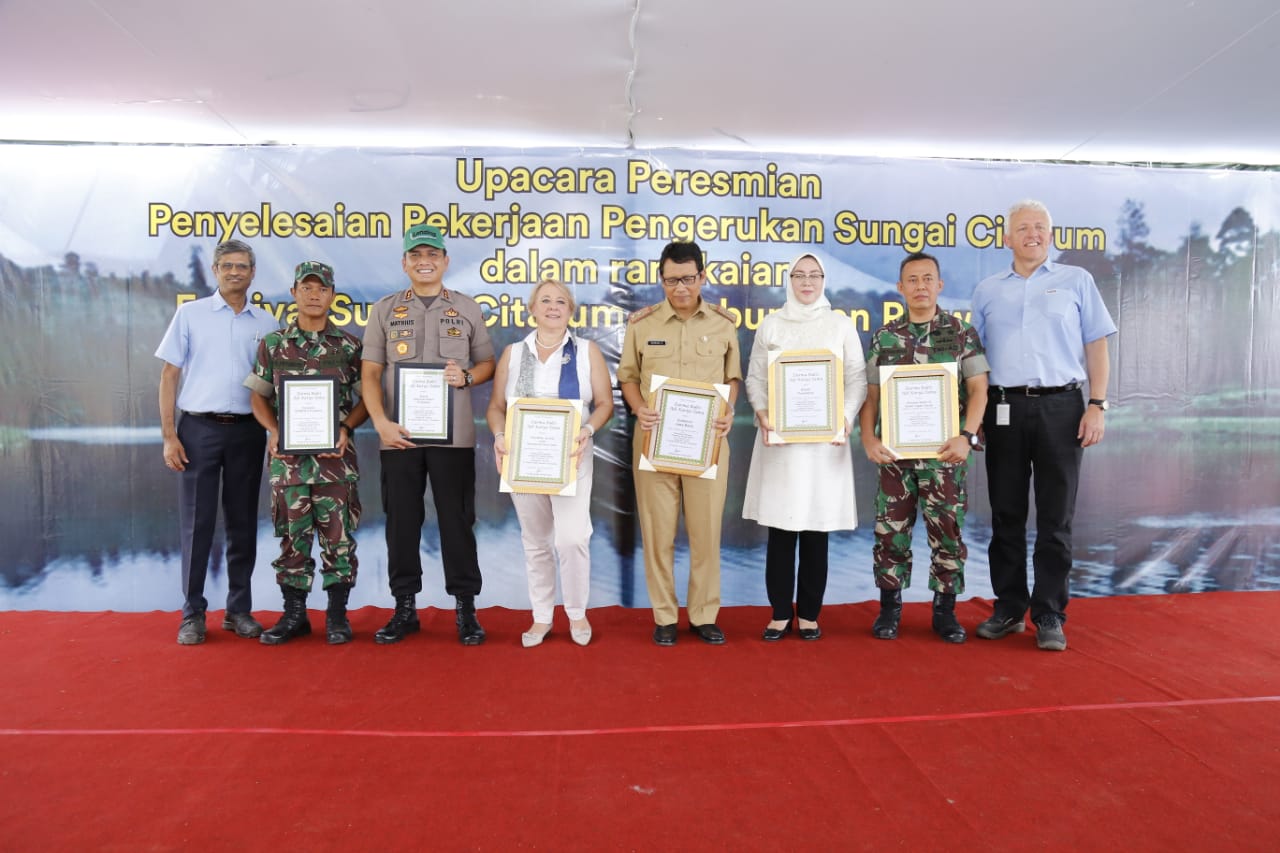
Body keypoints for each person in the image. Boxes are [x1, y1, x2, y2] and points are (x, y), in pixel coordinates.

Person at [971, 200, 1116, 652]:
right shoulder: (987, 290)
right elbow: (972, 363)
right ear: (1006, 238)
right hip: (1003, 409)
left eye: (1040, 227)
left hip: (1062, 408)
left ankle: (1049, 612)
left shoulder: (1077, 281)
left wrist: (1097, 405)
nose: (1032, 234)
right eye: (1022, 228)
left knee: (1056, 517)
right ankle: (1010, 608)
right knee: (1006, 514)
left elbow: (1096, 347)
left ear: (1050, 236)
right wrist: (971, 420)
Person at [361, 224, 496, 645]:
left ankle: (466, 609)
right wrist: (379, 422)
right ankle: (405, 608)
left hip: (453, 437)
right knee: (401, 522)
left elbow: (488, 364)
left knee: (457, 522)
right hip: (398, 436)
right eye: (416, 254)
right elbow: (370, 373)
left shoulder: (467, 309)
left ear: (445, 261)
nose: (425, 261)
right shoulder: (384, 310)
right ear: (404, 262)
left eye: (432, 254)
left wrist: (469, 376)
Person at [860, 251, 989, 643]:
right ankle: (889, 609)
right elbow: (872, 397)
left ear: (940, 285)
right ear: (900, 287)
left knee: (947, 531)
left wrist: (967, 437)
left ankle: (945, 611)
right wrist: (868, 437)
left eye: (927, 278)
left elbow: (979, 389)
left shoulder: (960, 332)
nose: (920, 286)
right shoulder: (885, 336)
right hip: (896, 457)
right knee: (890, 531)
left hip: (946, 455)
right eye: (912, 280)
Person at [617, 240, 741, 646]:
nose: (680, 288)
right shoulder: (642, 324)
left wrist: (728, 411)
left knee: (706, 533)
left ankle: (704, 615)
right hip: (654, 441)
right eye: (671, 280)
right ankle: (665, 616)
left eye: (688, 278)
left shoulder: (723, 325)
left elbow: (733, 378)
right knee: (658, 533)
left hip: (708, 444)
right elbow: (628, 377)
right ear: (662, 280)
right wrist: (638, 408)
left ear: (702, 277)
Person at [156, 239, 280, 645]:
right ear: (215, 270)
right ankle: (192, 614)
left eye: (242, 265)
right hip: (198, 430)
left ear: (252, 272)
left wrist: (277, 431)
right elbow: (169, 376)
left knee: (243, 521)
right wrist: (170, 436)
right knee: (198, 524)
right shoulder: (190, 315)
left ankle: (239, 610)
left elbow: (271, 386)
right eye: (226, 265)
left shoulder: (266, 323)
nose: (234, 272)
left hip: (247, 431)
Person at [742, 252, 867, 641]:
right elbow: (755, 378)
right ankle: (780, 612)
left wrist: (844, 418)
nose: (807, 282)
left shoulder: (840, 325)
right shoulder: (772, 325)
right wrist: (761, 411)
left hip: (825, 444)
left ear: (824, 280)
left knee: (817, 529)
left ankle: (810, 613)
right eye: (799, 275)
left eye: (814, 275)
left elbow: (857, 378)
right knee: (782, 530)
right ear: (789, 280)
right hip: (781, 443)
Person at [245, 261, 369, 645]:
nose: (314, 294)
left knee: (339, 540)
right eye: (307, 288)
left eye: (322, 288)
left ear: (332, 295)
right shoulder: (273, 344)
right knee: (291, 540)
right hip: (290, 464)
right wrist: (275, 430)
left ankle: (336, 617)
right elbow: (257, 397)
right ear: (295, 292)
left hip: (334, 463)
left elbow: (368, 399)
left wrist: (347, 427)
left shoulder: (349, 346)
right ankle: (294, 615)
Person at [486, 279, 614, 647]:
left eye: (561, 301)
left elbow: (604, 402)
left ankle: (576, 613)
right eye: (546, 300)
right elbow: (496, 407)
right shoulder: (513, 353)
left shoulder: (588, 352)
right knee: (536, 541)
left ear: (570, 310)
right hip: (522, 459)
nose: (554, 306)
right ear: (533, 308)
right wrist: (498, 436)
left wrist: (588, 429)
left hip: (572, 456)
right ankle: (541, 617)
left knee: (573, 538)